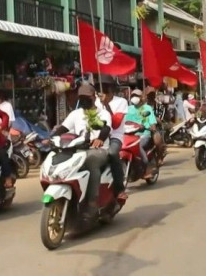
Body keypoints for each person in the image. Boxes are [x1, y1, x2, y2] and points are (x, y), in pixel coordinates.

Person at [51, 83, 112, 218]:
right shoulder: (75, 114)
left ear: (94, 97)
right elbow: (63, 128)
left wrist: (100, 139)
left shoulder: (103, 113)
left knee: (91, 161)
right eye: (81, 97)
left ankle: (92, 202)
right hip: (78, 150)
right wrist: (51, 137)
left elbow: (106, 128)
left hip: (98, 150)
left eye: (87, 97)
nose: (84, 100)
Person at [95, 76, 128, 201]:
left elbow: (115, 123)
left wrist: (106, 105)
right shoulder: (95, 101)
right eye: (100, 87)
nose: (102, 90)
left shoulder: (121, 102)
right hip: (97, 136)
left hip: (115, 136)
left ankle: (119, 189)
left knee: (113, 153)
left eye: (105, 87)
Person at [126, 89, 159, 178]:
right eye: (132, 96)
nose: (134, 98)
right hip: (129, 135)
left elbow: (152, 122)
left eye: (136, 96)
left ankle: (147, 167)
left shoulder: (147, 108)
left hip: (143, 134)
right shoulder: (128, 109)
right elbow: (123, 121)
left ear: (141, 98)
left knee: (138, 146)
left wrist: (152, 128)